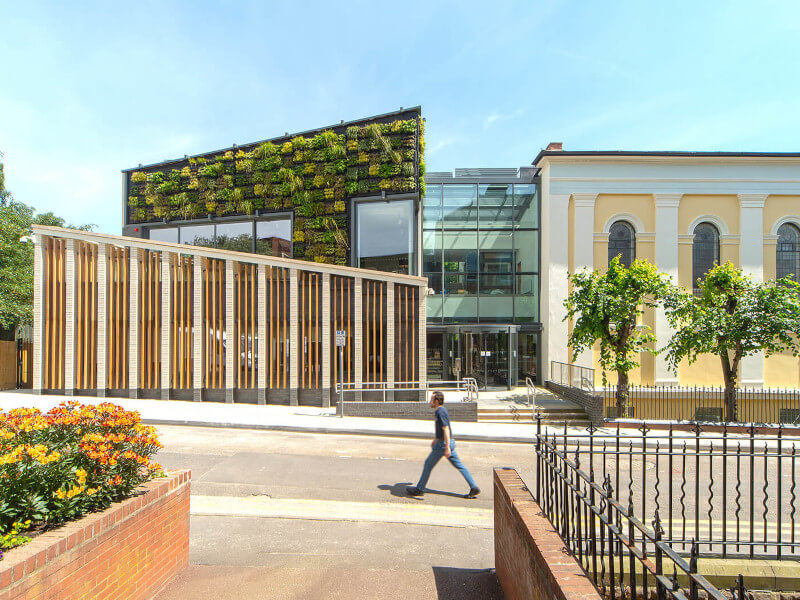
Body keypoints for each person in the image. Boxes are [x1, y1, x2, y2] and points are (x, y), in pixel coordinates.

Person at [406, 391, 480, 499]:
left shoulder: (440, 411)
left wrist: (447, 447)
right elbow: (442, 429)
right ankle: (474, 487)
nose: (430, 402)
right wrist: (436, 439)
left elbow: (446, 429)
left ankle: (420, 489)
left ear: (436, 401)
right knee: (459, 466)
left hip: (443, 445)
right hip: (442, 442)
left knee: (428, 464)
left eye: (431, 400)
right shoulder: (440, 411)